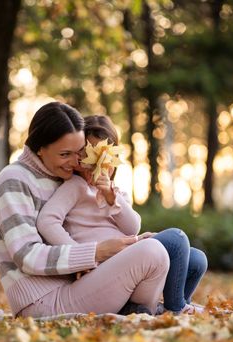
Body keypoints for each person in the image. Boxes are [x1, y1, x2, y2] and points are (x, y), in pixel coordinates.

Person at [0, 102, 169, 317]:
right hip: (42, 300)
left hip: (78, 287)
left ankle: (144, 310)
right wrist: (97, 252)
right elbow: (28, 256)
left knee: (160, 247)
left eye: (78, 153)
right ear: (39, 148)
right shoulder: (14, 181)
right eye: (65, 154)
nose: (75, 162)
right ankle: (144, 310)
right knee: (152, 253)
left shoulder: (58, 177)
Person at [37, 115, 208, 314]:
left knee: (197, 259)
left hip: (130, 263)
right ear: (79, 158)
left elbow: (132, 227)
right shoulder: (75, 187)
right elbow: (47, 221)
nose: (96, 166)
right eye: (89, 156)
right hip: (105, 268)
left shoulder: (116, 193)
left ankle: (178, 300)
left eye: (105, 158)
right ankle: (176, 307)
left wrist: (112, 199)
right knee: (176, 239)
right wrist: (78, 255)